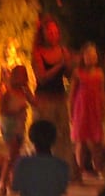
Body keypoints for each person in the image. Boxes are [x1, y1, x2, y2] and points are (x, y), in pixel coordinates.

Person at [31, 15, 75, 178]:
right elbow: (42, 77)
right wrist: (59, 65)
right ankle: (44, 170)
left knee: (63, 136)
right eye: (49, 32)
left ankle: (63, 170)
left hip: (59, 99)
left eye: (55, 32)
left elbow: (69, 75)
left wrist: (68, 65)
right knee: (44, 137)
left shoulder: (63, 51)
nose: (53, 35)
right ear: (42, 33)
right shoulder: (38, 53)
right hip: (44, 101)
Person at [69, 42, 105, 181]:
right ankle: (80, 169)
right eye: (88, 54)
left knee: (96, 142)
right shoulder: (78, 73)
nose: (91, 57)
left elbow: (102, 93)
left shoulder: (99, 73)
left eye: (93, 54)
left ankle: (98, 169)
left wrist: (103, 110)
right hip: (81, 110)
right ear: (83, 56)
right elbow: (72, 95)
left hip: (94, 110)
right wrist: (71, 113)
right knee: (81, 141)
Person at [0, 65, 35, 195]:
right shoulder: (8, 92)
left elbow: (34, 102)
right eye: (21, 75)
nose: (23, 78)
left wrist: (28, 90)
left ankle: (13, 181)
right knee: (11, 153)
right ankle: (2, 182)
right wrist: (17, 112)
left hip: (20, 124)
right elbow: (2, 110)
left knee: (16, 154)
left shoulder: (23, 91)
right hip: (9, 124)